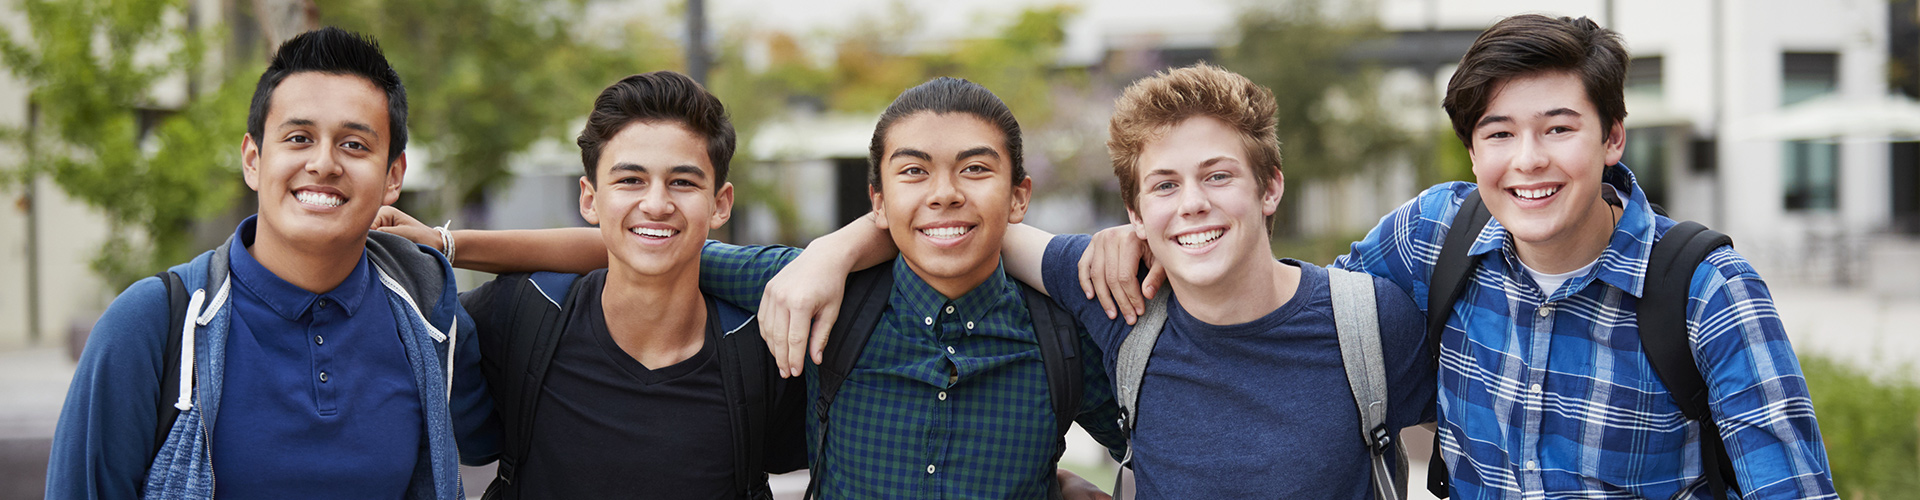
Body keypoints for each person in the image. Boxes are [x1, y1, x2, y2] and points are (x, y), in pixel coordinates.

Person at [1086, 15, 1838, 500]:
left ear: (1613, 138)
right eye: (1500, 134)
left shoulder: (1706, 294)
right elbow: (1298, 316)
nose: (1529, 161)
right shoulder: (1433, 234)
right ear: (1474, 151)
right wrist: (1151, 242)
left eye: (1559, 128)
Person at [411, 77, 1122, 499]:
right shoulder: (815, 291)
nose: (942, 194)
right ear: (875, 198)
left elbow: (1162, 443)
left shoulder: (1063, 334)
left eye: (975, 170)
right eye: (912, 172)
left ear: (1020, 194)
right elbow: (640, 246)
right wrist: (445, 244)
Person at [47, 27, 496, 499]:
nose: (324, 163)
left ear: (393, 176)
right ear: (253, 160)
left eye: (355, 145)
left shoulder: (425, 307)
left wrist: (452, 246)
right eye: (299, 138)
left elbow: (486, 441)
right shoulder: (152, 324)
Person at [374, 70, 807, 499]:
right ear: (589, 198)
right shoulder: (524, 314)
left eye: (682, 182)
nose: (656, 204)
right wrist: (435, 246)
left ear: (720, 204)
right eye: (630, 180)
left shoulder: (765, 347)